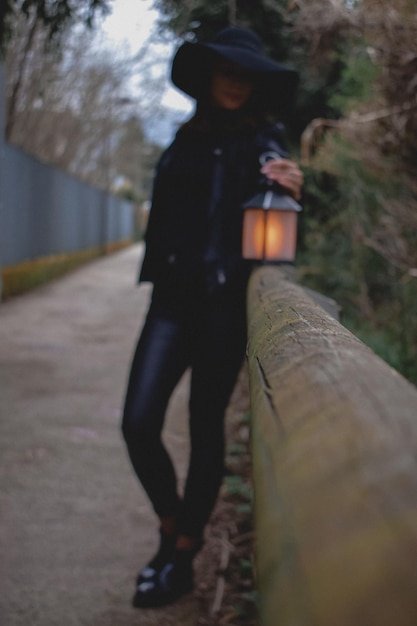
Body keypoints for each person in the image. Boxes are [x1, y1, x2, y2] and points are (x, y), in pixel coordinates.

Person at [121, 25, 303, 609]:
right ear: (208, 77)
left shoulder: (264, 141)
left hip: (226, 310)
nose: (237, 84)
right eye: (228, 72)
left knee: (205, 429)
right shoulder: (185, 138)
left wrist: (295, 185)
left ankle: (182, 555)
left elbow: (282, 187)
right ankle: (171, 523)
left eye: (246, 77)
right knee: (138, 423)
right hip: (172, 304)